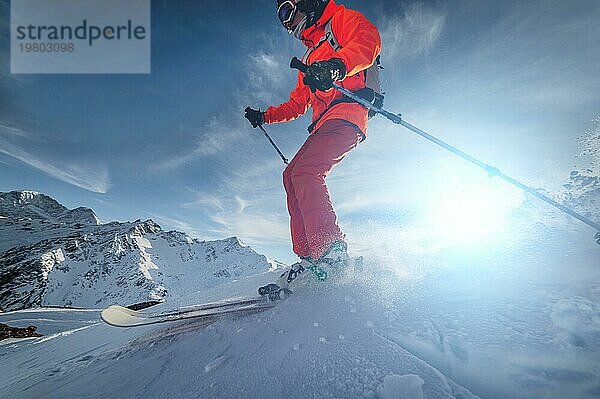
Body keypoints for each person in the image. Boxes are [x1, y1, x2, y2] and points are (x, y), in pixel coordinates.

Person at [245, 0, 381, 299]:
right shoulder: (309, 54)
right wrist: (265, 115)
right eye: (281, 17)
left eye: (287, 10)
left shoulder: (340, 20)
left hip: (348, 114)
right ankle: (311, 257)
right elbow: (297, 104)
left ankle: (333, 252)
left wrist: (336, 66)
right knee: (291, 174)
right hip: (324, 123)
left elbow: (368, 41)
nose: (286, 22)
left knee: (306, 172)